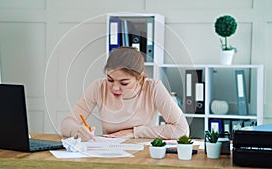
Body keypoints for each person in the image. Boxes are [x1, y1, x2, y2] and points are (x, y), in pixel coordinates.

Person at [60, 46, 189, 141]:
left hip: (144, 156)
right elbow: (67, 123)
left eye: (124, 83)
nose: (115, 88)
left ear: (139, 78)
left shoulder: (153, 88)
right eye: (110, 80)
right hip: (109, 153)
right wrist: (78, 131)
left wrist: (134, 132)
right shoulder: (99, 87)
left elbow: (182, 130)